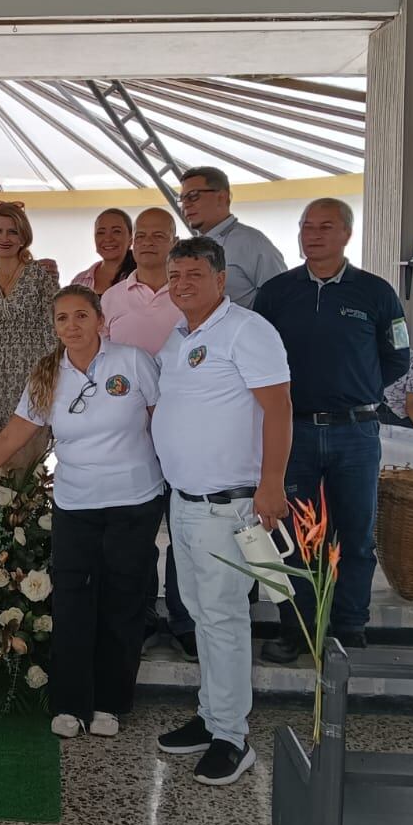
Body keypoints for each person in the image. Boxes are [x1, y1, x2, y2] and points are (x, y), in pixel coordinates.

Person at [0, 286, 167, 743]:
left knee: (122, 604)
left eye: (81, 315)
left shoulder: (134, 361)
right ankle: (70, 703)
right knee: (73, 603)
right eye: (62, 318)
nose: (72, 326)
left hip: (134, 502)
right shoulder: (47, 374)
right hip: (76, 504)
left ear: (101, 320)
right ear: (54, 326)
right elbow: (12, 436)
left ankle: (110, 703)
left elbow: (166, 424)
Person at [152, 236, 292, 787]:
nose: (182, 283)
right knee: (203, 615)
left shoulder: (247, 330)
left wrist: (272, 484)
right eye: (175, 274)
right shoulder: (177, 337)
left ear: (221, 277)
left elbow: (279, 409)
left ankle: (233, 736)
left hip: (229, 504)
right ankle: (212, 717)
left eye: (193, 274)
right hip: (184, 503)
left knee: (226, 619)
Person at [256, 199, 409, 663]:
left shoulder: (375, 292)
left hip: (355, 433)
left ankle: (348, 628)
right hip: (292, 432)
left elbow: (398, 356)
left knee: (355, 534)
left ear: (346, 234)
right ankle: (298, 629)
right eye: (306, 226)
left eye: (325, 227)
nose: (313, 235)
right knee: (294, 535)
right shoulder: (277, 292)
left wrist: (356, 389)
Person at [101, 207, 197, 661]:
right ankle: (138, 616)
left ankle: (185, 617)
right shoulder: (112, 299)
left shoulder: (193, 297)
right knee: (134, 533)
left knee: (186, 529)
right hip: (129, 436)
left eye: (161, 235)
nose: (150, 242)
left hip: (188, 430)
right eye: (143, 235)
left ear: (175, 240)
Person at [0, 201, 60, 450]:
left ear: (23, 237)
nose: (4, 238)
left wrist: (52, 377)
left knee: (27, 458)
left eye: (12, 231)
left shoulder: (40, 276)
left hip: (31, 374)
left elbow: (53, 330)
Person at [176, 166, 286, 308]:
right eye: (182, 199)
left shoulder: (252, 243)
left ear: (222, 197)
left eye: (193, 196)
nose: (186, 205)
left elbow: (281, 299)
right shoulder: (191, 248)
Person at [71, 208, 135, 293]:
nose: (108, 239)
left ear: (131, 238)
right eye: (101, 232)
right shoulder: (80, 280)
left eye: (116, 231)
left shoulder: (142, 277)